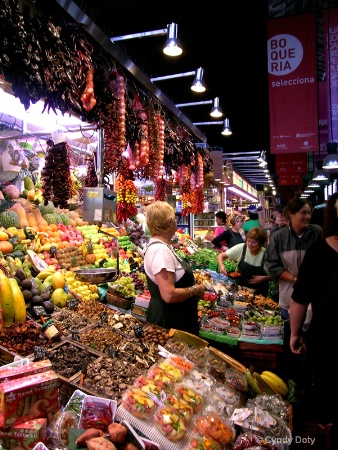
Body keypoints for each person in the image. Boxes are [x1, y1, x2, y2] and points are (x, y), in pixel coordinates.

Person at [289, 192, 338, 449]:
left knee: (326, 389)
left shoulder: (319, 250)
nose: (307, 217)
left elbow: (300, 299)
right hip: (324, 336)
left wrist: (295, 334)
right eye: (302, 213)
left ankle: (326, 430)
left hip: (327, 337)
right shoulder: (283, 238)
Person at [143, 201, 205, 335]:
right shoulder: (160, 251)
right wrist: (195, 289)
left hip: (175, 321)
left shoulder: (162, 247)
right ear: (171, 221)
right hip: (170, 324)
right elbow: (169, 295)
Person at [265, 197, 323, 320]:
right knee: (292, 334)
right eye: (304, 212)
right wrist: (295, 279)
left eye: (309, 213)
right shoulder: (279, 237)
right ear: (291, 213)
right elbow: (272, 265)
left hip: (315, 300)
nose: (308, 216)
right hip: (288, 299)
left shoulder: (317, 233)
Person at [217, 227, 272, 296]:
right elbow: (221, 256)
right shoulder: (242, 248)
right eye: (248, 241)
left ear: (260, 243)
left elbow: (277, 274)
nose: (250, 244)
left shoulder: (266, 254)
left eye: (254, 242)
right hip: (241, 289)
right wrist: (222, 266)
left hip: (259, 293)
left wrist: (264, 278)